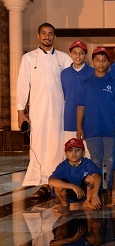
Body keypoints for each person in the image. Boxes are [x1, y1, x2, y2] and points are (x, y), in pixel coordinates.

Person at [17, 23, 72, 194]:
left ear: (54, 36)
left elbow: (74, 79)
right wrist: (20, 112)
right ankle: (42, 182)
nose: (47, 36)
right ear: (38, 36)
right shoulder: (29, 58)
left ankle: (56, 179)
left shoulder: (63, 58)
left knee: (57, 144)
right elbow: (22, 85)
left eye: (50, 33)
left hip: (59, 110)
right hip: (38, 110)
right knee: (39, 144)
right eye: (44, 33)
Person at [76, 47, 115, 194]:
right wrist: (79, 127)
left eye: (104, 60)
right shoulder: (85, 83)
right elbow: (81, 106)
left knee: (110, 158)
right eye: (97, 60)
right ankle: (96, 188)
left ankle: (109, 187)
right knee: (95, 159)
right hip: (91, 128)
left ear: (108, 63)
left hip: (111, 127)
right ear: (93, 62)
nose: (100, 63)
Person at [48, 138, 102, 213]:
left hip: (85, 193)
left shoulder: (87, 162)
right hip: (69, 193)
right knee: (58, 185)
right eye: (70, 150)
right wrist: (73, 186)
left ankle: (87, 201)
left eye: (77, 150)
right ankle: (65, 204)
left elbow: (98, 176)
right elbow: (51, 181)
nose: (74, 153)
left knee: (92, 178)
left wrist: (95, 195)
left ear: (83, 153)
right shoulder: (62, 166)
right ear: (66, 154)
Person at [61, 40, 94, 146]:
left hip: (89, 120)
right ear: (70, 54)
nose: (78, 56)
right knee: (71, 150)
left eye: (81, 53)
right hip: (69, 119)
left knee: (89, 152)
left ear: (85, 55)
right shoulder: (64, 74)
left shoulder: (93, 73)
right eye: (74, 53)